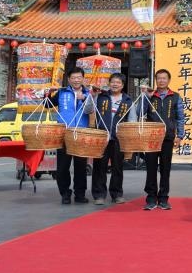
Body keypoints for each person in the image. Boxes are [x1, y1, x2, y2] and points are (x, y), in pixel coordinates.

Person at [85, 73, 135, 205]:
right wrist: (93, 95)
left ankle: (117, 194)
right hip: (102, 138)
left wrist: (129, 138)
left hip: (119, 138)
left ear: (122, 85)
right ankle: (99, 195)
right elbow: (88, 109)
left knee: (117, 167)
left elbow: (132, 121)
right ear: (109, 83)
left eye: (118, 82)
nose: (115, 84)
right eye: (113, 82)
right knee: (99, 166)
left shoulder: (128, 100)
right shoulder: (101, 96)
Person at [141, 69, 184, 211]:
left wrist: (179, 136)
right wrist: (145, 97)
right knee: (151, 168)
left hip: (168, 137)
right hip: (151, 138)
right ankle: (151, 198)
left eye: (164, 78)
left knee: (166, 169)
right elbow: (139, 113)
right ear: (156, 80)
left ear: (169, 80)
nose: (161, 81)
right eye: (159, 78)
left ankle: (164, 199)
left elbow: (180, 118)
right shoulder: (150, 95)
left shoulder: (175, 97)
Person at [48, 67, 91, 205]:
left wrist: (84, 99)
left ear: (83, 79)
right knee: (62, 167)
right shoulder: (61, 92)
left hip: (81, 134)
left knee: (80, 167)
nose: (77, 80)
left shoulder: (88, 93)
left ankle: (80, 194)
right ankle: (65, 193)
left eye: (79, 77)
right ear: (69, 79)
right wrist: (48, 94)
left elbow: (92, 110)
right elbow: (46, 105)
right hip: (64, 134)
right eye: (74, 77)